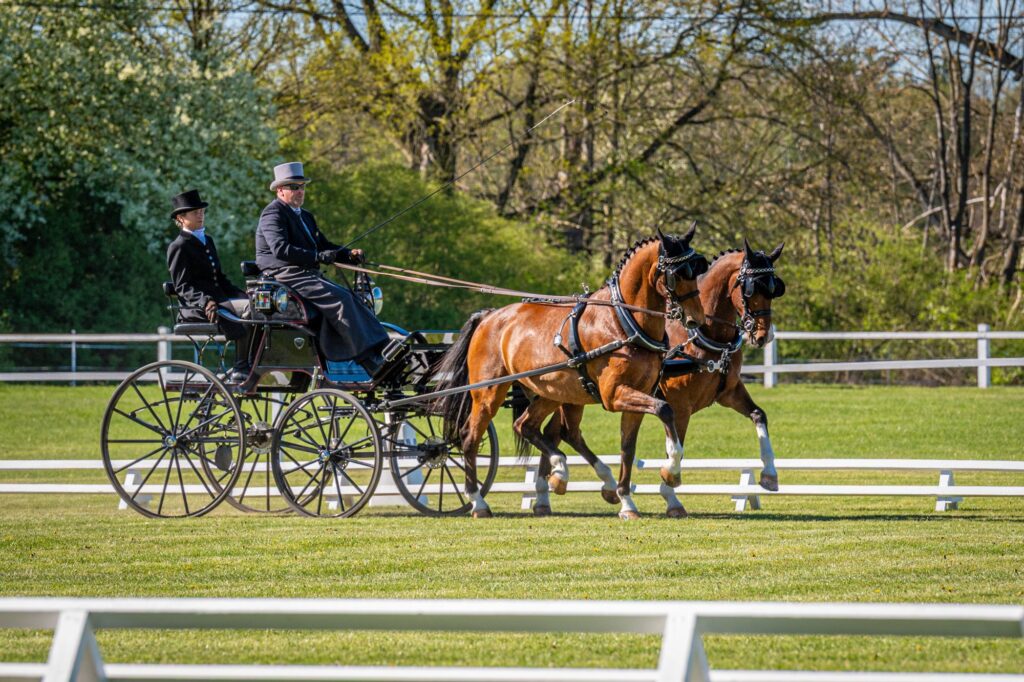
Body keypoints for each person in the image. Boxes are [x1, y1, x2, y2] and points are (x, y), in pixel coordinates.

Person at [254, 162, 392, 375]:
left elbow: (323, 245)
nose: (300, 191)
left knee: (354, 297)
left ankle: (382, 347)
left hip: (306, 274)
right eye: (294, 187)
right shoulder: (273, 214)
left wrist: (347, 254)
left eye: (302, 186)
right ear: (280, 190)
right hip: (283, 274)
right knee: (341, 300)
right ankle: (368, 359)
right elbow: (281, 249)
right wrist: (316, 257)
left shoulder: (305, 216)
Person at [166, 189, 253, 382]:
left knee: (257, 305)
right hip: (197, 308)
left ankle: (253, 360)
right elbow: (183, 286)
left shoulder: (208, 241)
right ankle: (241, 366)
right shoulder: (178, 246)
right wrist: (205, 301)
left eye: (202, 211)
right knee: (250, 309)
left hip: (221, 301)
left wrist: (244, 294)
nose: (200, 215)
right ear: (181, 218)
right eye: (195, 212)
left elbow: (219, 279)